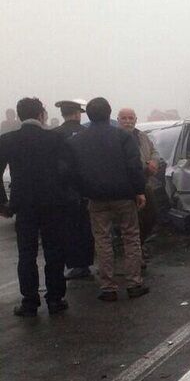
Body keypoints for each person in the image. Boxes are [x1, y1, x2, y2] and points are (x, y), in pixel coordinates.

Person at [68, 98, 149, 301]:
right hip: (124, 195)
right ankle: (134, 283)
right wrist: (139, 191)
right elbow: (134, 166)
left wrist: (84, 191)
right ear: (110, 113)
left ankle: (108, 287)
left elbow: (72, 172)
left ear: (88, 115)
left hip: (96, 197)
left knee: (102, 240)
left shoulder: (77, 140)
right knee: (131, 238)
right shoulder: (123, 136)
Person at [0, 98, 71, 316]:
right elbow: (67, 170)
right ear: (41, 114)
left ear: (19, 115)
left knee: (27, 254)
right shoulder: (55, 138)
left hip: (23, 204)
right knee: (54, 251)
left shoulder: (8, 140)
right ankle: (55, 299)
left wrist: (3, 203)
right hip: (53, 203)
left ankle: (29, 302)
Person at [54, 99, 95, 280]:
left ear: (62, 114)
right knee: (87, 227)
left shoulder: (54, 135)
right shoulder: (87, 133)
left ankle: (76, 264)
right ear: (78, 114)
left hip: (64, 190)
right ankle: (86, 262)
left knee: (69, 228)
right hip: (88, 188)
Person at [117, 108, 160, 256]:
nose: (128, 122)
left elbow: (154, 152)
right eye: (124, 118)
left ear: (136, 120)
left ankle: (138, 247)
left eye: (131, 118)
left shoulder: (142, 136)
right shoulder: (115, 138)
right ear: (118, 120)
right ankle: (133, 253)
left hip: (145, 183)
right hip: (126, 186)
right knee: (130, 222)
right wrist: (144, 166)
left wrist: (153, 162)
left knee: (151, 216)